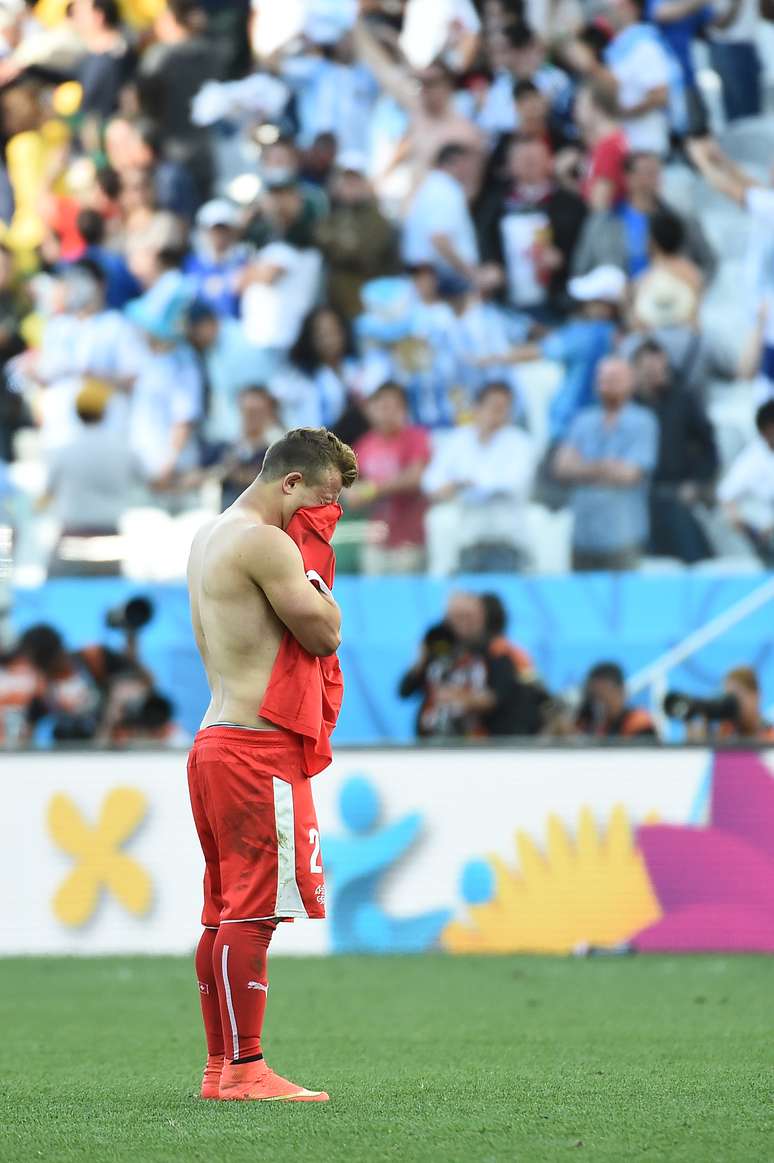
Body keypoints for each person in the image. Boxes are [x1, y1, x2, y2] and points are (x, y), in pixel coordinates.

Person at [186, 427, 357, 1102]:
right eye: (327, 498)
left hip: (214, 741)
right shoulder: (265, 541)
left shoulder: (210, 535)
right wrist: (323, 586)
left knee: (223, 909)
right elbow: (323, 630)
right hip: (255, 746)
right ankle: (247, 1068)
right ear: (291, 485)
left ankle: (219, 1067)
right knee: (251, 911)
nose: (330, 515)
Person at [554, 356, 659, 570]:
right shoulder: (583, 420)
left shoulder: (643, 421)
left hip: (622, 534)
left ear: (630, 381)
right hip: (583, 534)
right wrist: (607, 466)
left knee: (625, 599)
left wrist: (583, 467)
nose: (606, 384)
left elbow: (630, 475)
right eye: (601, 378)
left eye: (613, 378)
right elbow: (561, 467)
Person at [422, 381, 536, 573]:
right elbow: (431, 481)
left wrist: (464, 483)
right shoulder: (458, 440)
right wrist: (456, 485)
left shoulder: (520, 442)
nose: (499, 413)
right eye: (494, 406)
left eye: (505, 408)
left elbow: (513, 483)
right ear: (477, 408)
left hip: (506, 542)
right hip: (466, 541)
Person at [398, 590, 546, 738]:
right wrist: (421, 659)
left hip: (480, 743)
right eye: (457, 616)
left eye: (469, 617)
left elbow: (501, 697)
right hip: (431, 740)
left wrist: (462, 698)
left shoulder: (497, 650)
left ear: (481, 618)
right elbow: (404, 691)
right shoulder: (438, 646)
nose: (464, 623)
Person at [42, 379, 145, 576]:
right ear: (105, 412)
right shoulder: (124, 450)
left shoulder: (62, 451)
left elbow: (47, 494)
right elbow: (152, 483)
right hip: (111, 541)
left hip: (70, 541)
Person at [477, 134, 587, 319]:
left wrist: (563, 259)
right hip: (508, 305)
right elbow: (484, 242)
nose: (529, 164)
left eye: (534, 159)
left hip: (557, 303)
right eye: (523, 159)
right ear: (510, 165)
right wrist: (490, 267)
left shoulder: (569, 203)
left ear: (548, 161)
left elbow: (584, 247)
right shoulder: (494, 205)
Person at [632, 339, 717, 562]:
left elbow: (708, 447)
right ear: (636, 370)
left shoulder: (683, 399)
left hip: (676, 494)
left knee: (693, 558)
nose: (654, 374)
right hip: (637, 497)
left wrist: (697, 483)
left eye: (659, 367)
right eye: (647, 369)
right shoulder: (629, 406)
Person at [573, 150, 716, 282]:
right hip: (617, 303)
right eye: (648, 173)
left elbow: (709, 262)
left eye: (657, 172)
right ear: (628, 177)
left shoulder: (680, 219)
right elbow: (580, 268)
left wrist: (689, 289)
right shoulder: (603, 223)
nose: (655, 179)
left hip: (665, 301)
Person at [349, 382, 432, 574]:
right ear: (370, 409)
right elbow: (351, 490)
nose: (388, 413)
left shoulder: (416, 437)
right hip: (376, 535)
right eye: (382, 406)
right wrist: (353, 493)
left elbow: (414, 478)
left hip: (411, 536)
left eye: (395, 407)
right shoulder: (364, 444)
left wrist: (372, 490)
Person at [401, 144, 495, 294]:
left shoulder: (432, 186)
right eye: (469, 164)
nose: (473, 171)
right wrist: (473, 275)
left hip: (434, 278)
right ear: (457, 162)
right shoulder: (445, 189)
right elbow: (439, 239)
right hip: (442, 282)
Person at [313, 153, 398, 321]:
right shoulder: (332, 215)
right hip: (338, 307)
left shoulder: (378, 219)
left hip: (371, 310)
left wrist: (336, 243)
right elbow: (319, 236)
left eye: (355, 180)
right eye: (346, 180)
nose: (350, 186)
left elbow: (362, 253)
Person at [717, 399, 774, 564]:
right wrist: (742, 522)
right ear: (767, 430)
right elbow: (726, 495)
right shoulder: (753, 458)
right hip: (765, 535)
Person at [183, 199, 252, 320]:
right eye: (215, 230)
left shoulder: (245, 261)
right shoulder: (191, 264)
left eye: (224, 230)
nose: (219, 235)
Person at [575, 661, 657, 737]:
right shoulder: (594, 725)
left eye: (603, 695)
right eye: (593, 696)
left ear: (621, 691)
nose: (598, 703)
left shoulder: (639, 722)